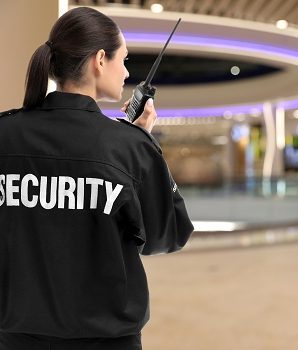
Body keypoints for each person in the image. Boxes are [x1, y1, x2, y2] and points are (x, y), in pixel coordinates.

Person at [0, 6, 193, 350]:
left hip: (13, 337)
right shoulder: (128, 147)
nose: (126, 72)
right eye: (124, 59)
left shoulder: (4, 133)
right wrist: (145, 145)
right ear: (100, 59)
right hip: (105, 341)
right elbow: (168, 236)